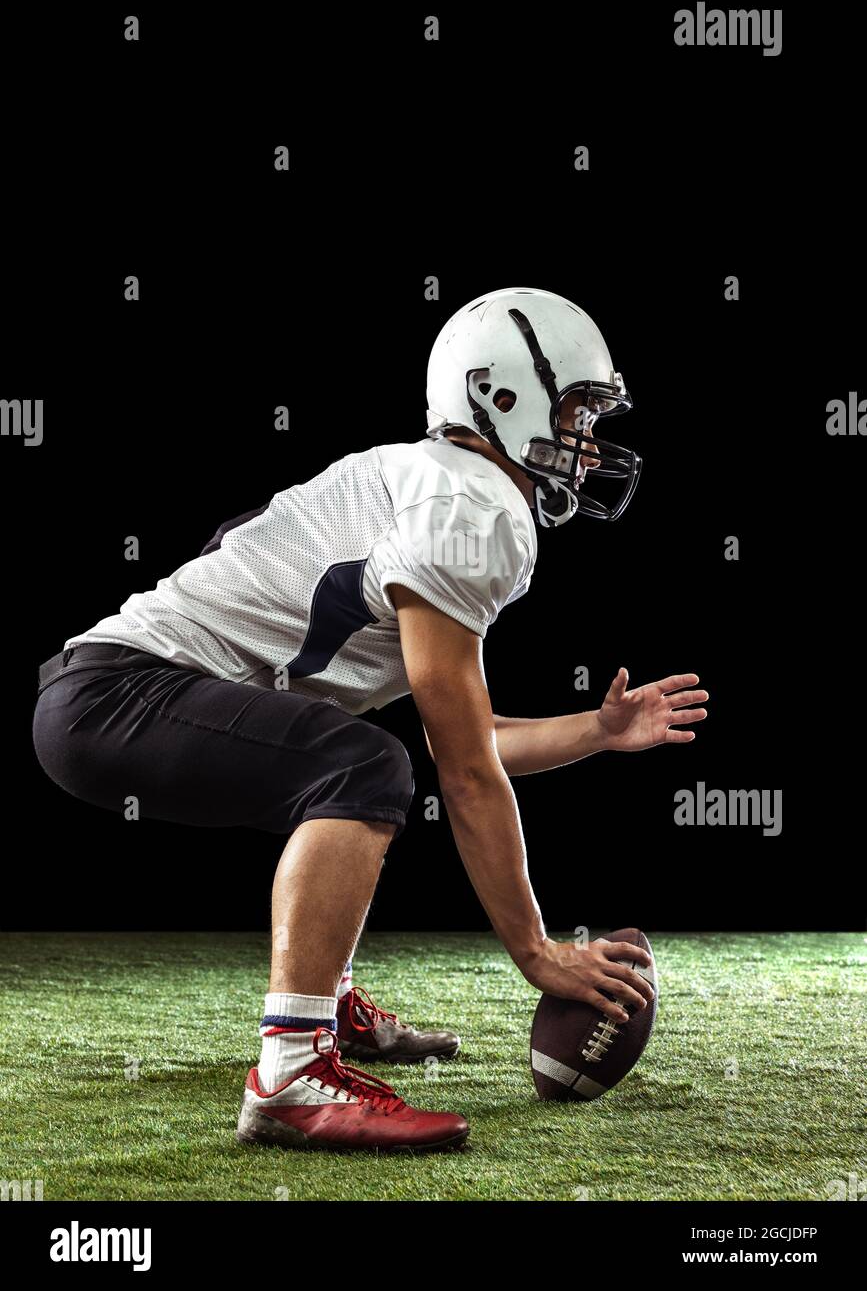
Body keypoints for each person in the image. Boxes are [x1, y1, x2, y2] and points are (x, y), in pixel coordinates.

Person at [32, 286, 707, 1153]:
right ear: (503, 398)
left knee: (354, 767)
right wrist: (536, 950)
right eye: (578, 408)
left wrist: (598, 732)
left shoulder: (436, 486)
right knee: (358, 767)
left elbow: (465, 744)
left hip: (106, 696)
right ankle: (291, 1071)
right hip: (115, 697)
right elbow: (463, 775)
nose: (588, 438)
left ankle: (325, 1006)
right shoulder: (468, 508)